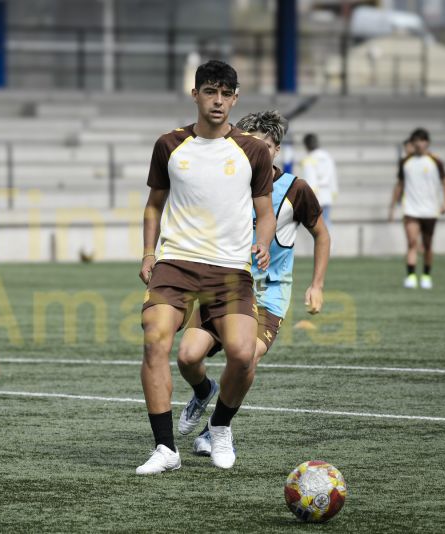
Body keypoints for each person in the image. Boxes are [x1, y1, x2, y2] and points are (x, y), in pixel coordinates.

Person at [136, 60, 276, 475]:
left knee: (242, 353)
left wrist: (262, 242)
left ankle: (219, 426)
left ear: (235, 98)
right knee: (155, 340)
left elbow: (264, 213)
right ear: (194, 94)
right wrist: (148, 253)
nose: (218, 101)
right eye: (210, 91)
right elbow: (153, 206)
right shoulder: (169, 145)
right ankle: (165, 449)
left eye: (226, 93)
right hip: (176, 262)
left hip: (230, 268)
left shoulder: (251, 150)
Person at [174, 110, 330, 456]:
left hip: (267, 295)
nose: (254, 152)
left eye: (264, 146)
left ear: (276, 151)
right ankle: (203, 392)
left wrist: (316, 284)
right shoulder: (226, 185)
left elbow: (321, 234)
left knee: (245, 357)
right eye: (248, 144)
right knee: (187, 357)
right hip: (221, 287)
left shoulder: (295, 190)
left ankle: (216, 427)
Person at [389, 128, 445, 289]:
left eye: (422, 140)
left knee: (428, 245)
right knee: (412, 242)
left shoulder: (436, 161)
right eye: (416, 140)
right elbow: (399, 185)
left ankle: (426, 275)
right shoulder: (405, 162)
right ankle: (410, 276)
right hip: (411, 209)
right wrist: (393, 206)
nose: (419, 143)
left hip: (430, 210)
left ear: (427, 142)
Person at [300, 133, 338, 229]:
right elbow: (333, 177)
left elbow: (310, 181)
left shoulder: (309, 160)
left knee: (318, 228)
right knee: (326, 223)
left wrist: (309, 200)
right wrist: (333, 192)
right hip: (327, 195)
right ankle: (330, 243)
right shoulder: (328, 157)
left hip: (316, 198)